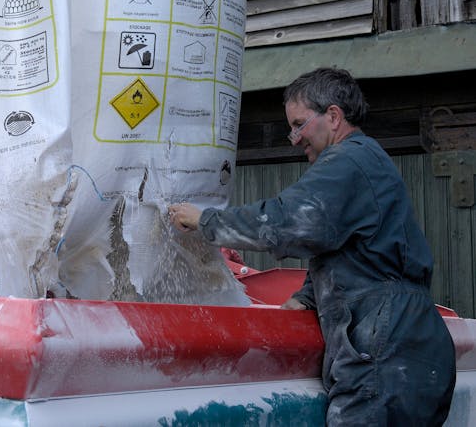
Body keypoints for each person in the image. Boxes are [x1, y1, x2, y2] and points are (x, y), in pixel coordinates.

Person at [168, 67, 456, 426]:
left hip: (382, 354)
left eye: (299, 124)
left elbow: (289, 220)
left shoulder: (348, 160)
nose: (294, 138)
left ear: (333, 117)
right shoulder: (367, 162)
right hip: (407, 350)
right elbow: (354, 254)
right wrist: (306, 298)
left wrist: (205, 220)